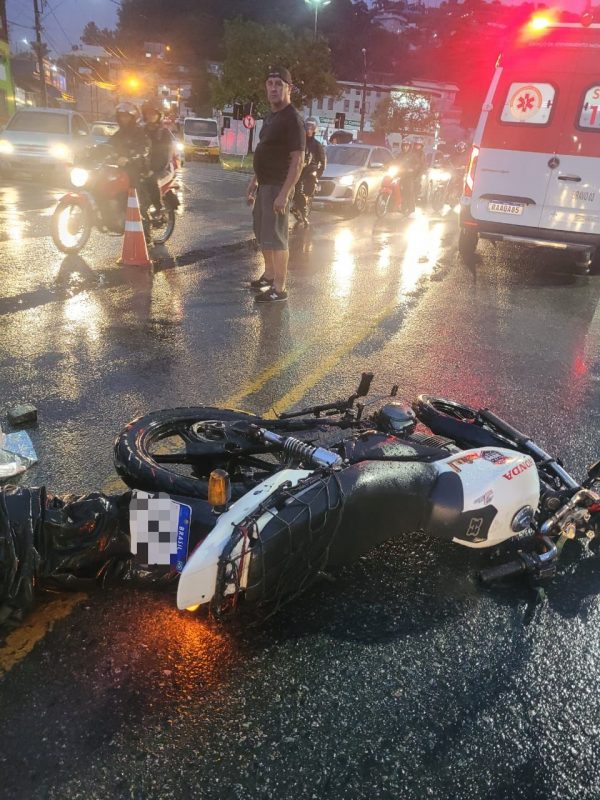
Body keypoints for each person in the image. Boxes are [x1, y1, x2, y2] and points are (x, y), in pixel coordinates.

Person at [246, 66, 306, 303]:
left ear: (288, 88)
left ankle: (280, 288)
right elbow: (265, 152)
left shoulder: (293, 119)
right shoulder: (271, 117)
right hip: (264, 185)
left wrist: (285, 193)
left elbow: (298, 160)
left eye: (278, 84)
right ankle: (269, 275)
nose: (273, 88)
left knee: (277, 237)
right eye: (270, 83)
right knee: (262, 232)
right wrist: (254, 181)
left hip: (278, 186)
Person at [140, 99, 176, 221]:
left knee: (152, 180)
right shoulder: (141, 131)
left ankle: (158, 208)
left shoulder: (164, 133)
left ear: (159, 115)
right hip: (143, 167)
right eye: (148, 113)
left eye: (153, 114)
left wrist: (152, 169)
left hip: (162, 169)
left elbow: (166, 155)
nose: (150, 116)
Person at [109, 102, 150, 206]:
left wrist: (129, 157)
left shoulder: (139, 132)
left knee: (133, 187)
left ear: (133, 118)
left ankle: (142, 214)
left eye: (127, 116)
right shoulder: (118, 134)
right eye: (122, 116)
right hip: (119, 166)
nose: (124, 119)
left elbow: (144, 147)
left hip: (136, 166)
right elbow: (108, 144)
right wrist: (91, 151)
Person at [292, 117, 326, 226]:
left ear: (315, 129)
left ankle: (305, 211)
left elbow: (323, 161)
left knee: (307, 187)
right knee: (294, 189)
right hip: (299, 170)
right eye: (307, 126)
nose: (309, 129)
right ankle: (296, 206)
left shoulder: (317, 145)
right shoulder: (299, 142)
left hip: (311, 170)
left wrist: (318, 175)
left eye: (312, 127)